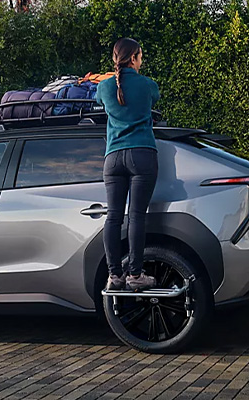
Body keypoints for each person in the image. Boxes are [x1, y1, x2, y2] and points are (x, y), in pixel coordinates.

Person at [95, 38, 160, 292]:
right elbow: (154, 97)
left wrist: (110, 78)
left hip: (113, 158)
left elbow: (100, 98)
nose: (141, 60)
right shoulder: (147, 85)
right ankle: (135, 274)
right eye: (140, 56)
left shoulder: (105, 87)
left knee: (113, 216)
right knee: (136, 216)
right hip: (142, 154)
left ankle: (115, 276)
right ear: (133, 58)